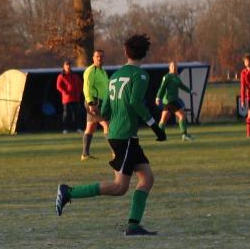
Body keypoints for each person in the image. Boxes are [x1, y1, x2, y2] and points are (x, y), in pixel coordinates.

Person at [56, 33, 168, 236]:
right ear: (145, 54)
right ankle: (69, 192)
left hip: (122, 136)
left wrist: (96, 113)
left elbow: (105, 111)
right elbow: (135, 103)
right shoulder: (141, 76)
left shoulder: (114, 76)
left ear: (126, 52)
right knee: (119, 187)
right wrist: (155, 126)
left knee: (147, 178)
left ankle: (133, 225)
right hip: (124, 136)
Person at [81, 49, 109, 160]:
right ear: (93, 58)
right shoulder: (90, 71)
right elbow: (86, 88)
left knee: (90, 127)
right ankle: (115, 153)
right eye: (97, 56)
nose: (99, 58)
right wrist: (91, 103)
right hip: (94, 102)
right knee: (108, 126)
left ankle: (85, 154)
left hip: (102, 102)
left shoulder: (103, 71)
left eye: (101, 56)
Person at [156, 61, 193, 141]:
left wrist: (190, 91)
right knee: (182, 115)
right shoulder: (167, 77)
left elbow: (182, 86)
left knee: (164, 119)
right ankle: (184, 135)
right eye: (172, 66)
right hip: (169, 101)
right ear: (169, 67)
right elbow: (162, 88)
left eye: (175, 66)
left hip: (173, 100)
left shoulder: (176, 77)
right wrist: (158, 97)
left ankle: (160, 135)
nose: (174, 67)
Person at [55, 60, 84, 134]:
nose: (68, 66)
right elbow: (58, 86)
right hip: (67, 99)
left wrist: (79, 92)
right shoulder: (61, 76)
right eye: (66, 65)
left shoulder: (75, 76)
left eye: (69, 65)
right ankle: (65, 129)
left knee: (76, 114)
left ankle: (78, 128)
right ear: (64, 67)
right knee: (66, 114)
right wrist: (65, 92)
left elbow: (81, 85)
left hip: (76, 98)